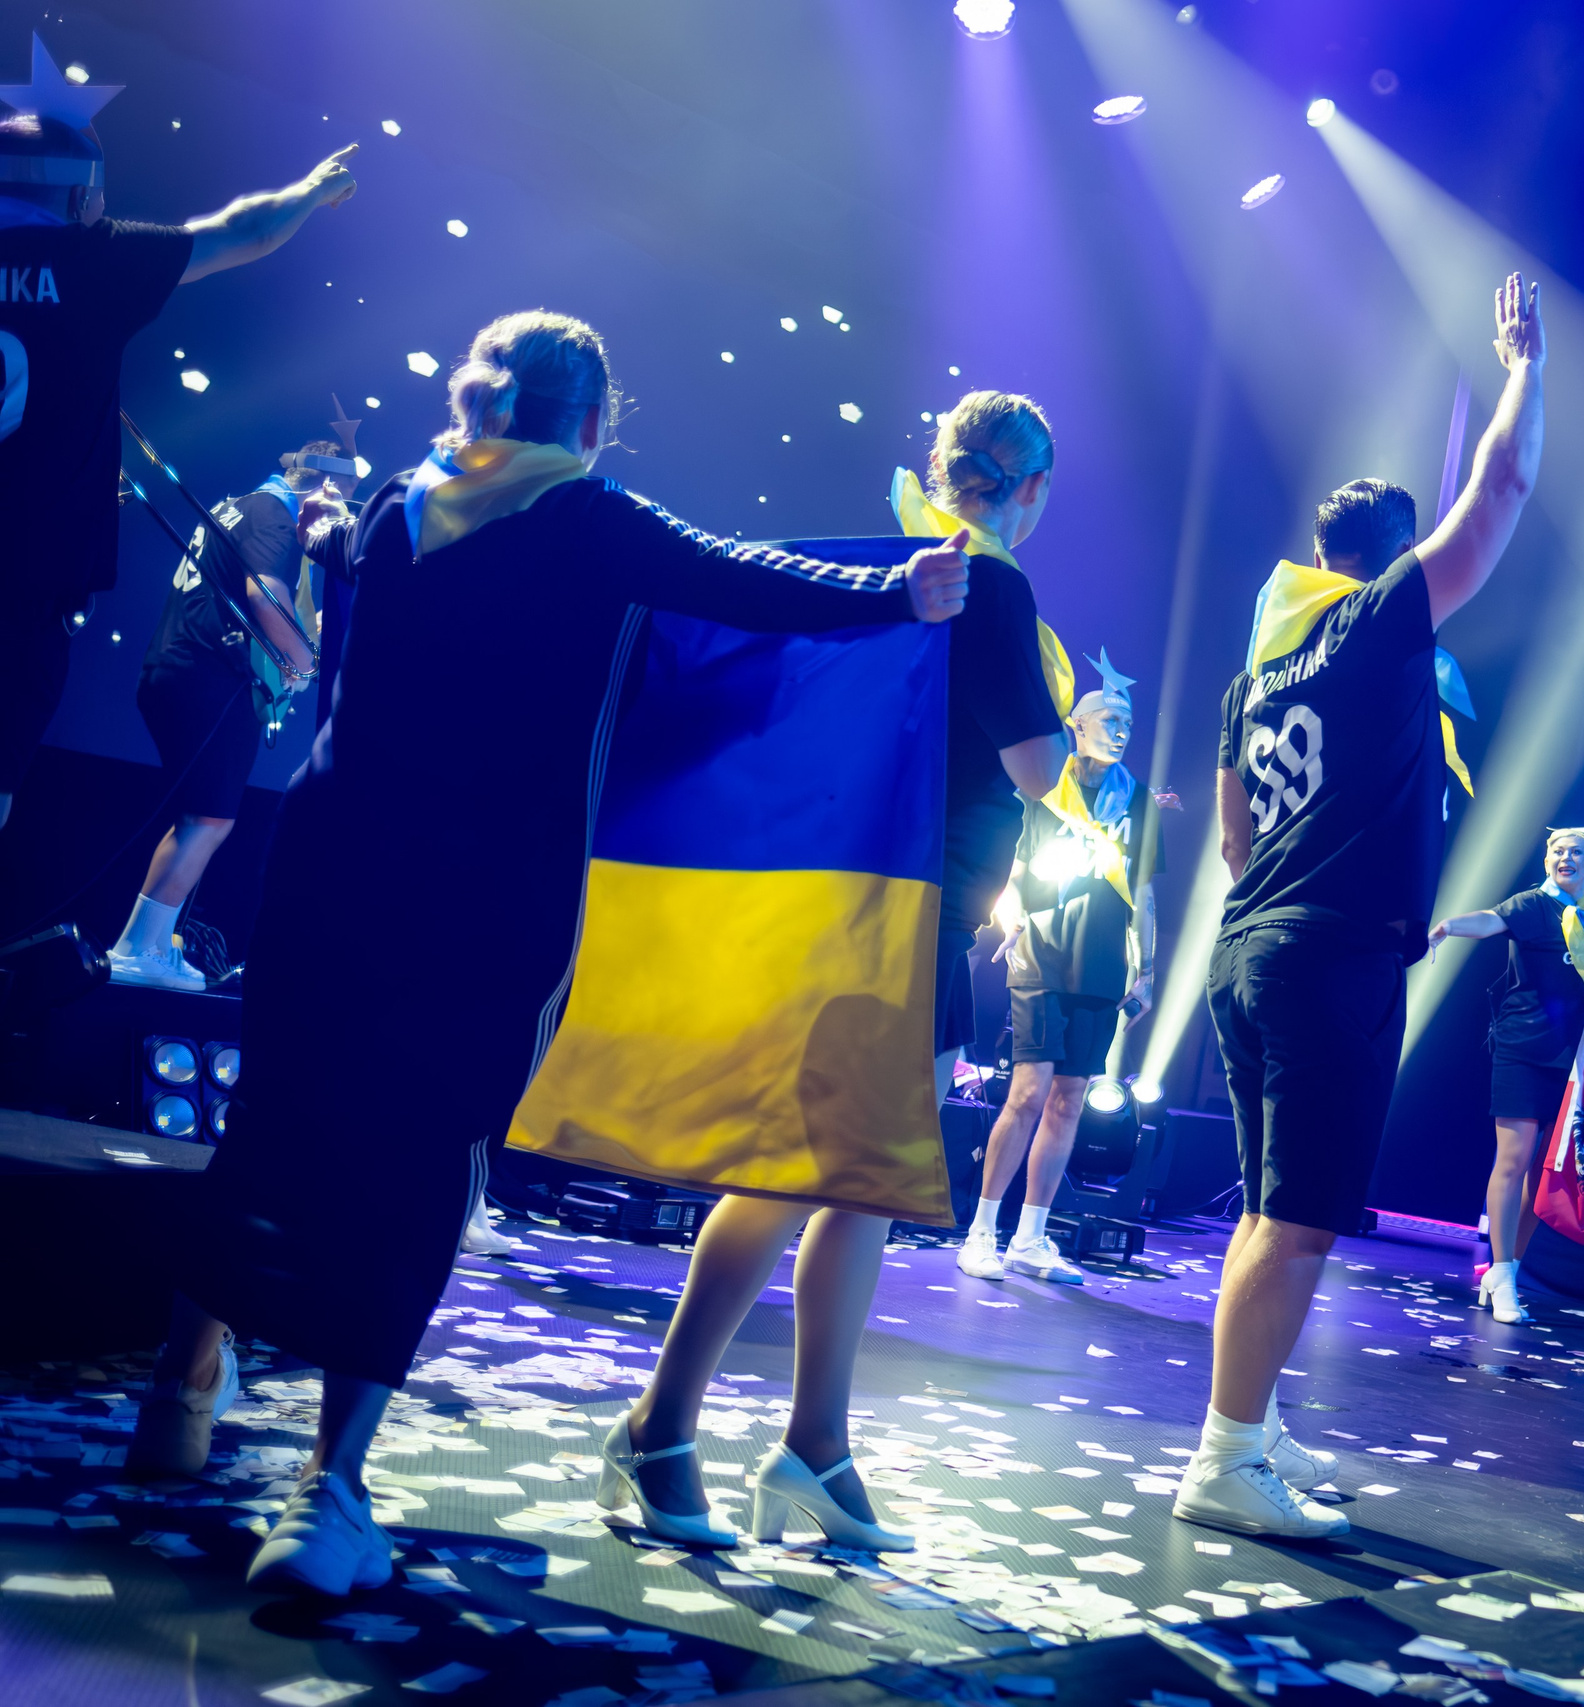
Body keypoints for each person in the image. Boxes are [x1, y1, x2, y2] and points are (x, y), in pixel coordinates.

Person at [143, 311, 969, 1595]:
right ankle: (331, 1490)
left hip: (322, 869)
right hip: (479, 899)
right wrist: (900, 590)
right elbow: (743, 577)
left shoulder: (388, 505)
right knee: (418, 1163)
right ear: (590, 425)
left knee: (277, 1121)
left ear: (477, 407)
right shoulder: (591, 521)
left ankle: (181, 1388)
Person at [609, 391, 1068, 1554]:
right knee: (793, 1167)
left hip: (861, 903)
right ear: (1029, 491)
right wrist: (1078, 727)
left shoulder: (877, 569)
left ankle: (814, 1447)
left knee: (855, 1179)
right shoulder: (991, 583)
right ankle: (660, 1428)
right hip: (898, 922)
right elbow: (1034, 768)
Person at [1180, 272, 1547, 1540]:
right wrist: (1523, 374)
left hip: (1249, 949)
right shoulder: (1386, 623)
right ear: (1387, 564)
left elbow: (1231, 835)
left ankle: (1253, 1425)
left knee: (1268, 1210)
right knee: (1295, 1225)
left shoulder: (1261, 666)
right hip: (1326, 963)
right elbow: (1498, 497)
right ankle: (1226, 1460)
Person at [0, 36, 357, 833]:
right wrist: (307, 190)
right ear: (79, 189)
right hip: (23, 588)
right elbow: (244, 231)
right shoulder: (99, 261)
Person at [103, 442, 343, 991]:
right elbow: (264, 599)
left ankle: (151, 945)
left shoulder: (239, 505)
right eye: (335, 508)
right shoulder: (276, 515)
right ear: (321, 489)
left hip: (175, 670)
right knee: (209, 821)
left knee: (200, 818)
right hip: (210, 680)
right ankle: (138, 950)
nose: (330, 525)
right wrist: (305, 663)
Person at [959, 651, 1162, 1286]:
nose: (1122, 726)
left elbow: (1145, 892)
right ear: (1077, 724)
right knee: (1026, 1093)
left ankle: (1031, 1237)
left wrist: (1147, 970)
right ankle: (981, 1231)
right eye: (1108, 715)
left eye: (1128, 718)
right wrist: (1009, 916)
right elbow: (1012, 872)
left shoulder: (1140, 802)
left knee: (1071, 1100)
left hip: (1101, 965)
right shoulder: (1045, 791)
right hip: (1042, 953)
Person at [1426, 825, 1584, 1324]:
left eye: (1577, 852)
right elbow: (1490, 921)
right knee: (1512, 1161)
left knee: (1545, 1175)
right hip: (1523, 1048)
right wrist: (1449, 925)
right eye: (1558, 850)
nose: (1566, 857)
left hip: (1574, 1062)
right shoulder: (1535, 905)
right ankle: (1505, 1274)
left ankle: (1504, 1268)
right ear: (1546, 859)